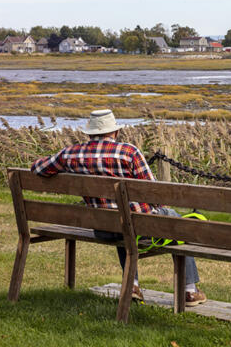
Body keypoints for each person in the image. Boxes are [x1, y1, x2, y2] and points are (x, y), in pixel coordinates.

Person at [31, 109, 206, 305]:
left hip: (104, 228)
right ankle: (189, 290)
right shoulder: (128, 153)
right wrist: (158, 209)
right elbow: (154, 191)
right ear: (114, 132)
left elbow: (37, 168)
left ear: (89, 132)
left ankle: (132, 285)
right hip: (138, 227)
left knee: (122, 222)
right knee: (178, 223)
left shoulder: (71, 154)